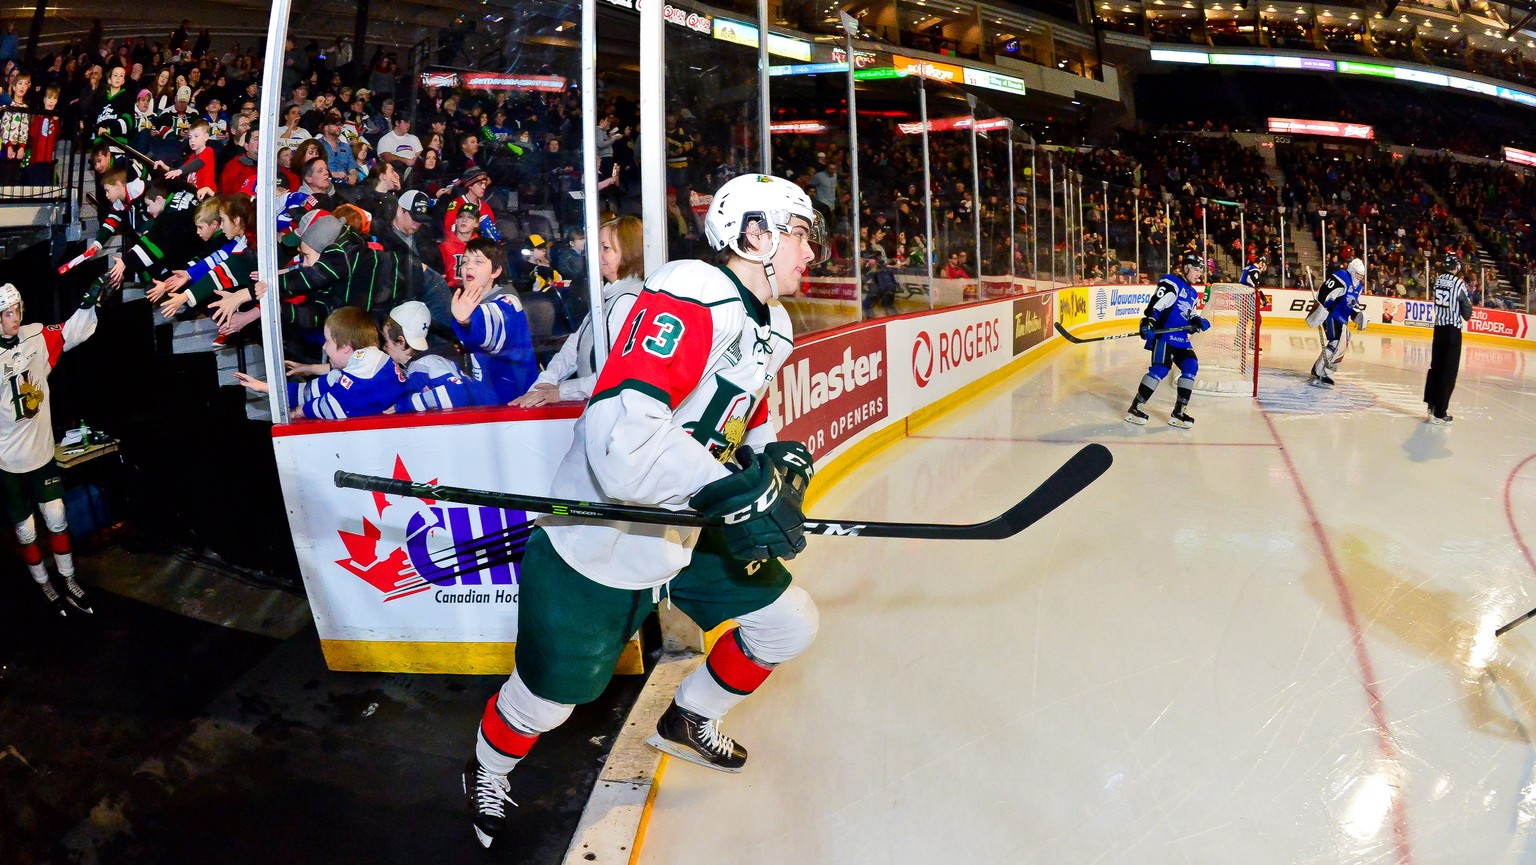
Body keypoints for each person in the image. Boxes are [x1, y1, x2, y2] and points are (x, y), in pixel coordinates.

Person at [462, 173, 826, 848]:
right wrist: (728, 493)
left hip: (683, 525)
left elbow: (748, 418)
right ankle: (485, 768)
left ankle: (688, 717)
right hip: (602, 533)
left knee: (788, 623)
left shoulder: (771, 323)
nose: (811, 251)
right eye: (800, 233)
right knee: (546, 701)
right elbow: (619, 432)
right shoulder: (694, 290)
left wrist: (775, 463)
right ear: (755, 234)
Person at [0, 280, 111, 616]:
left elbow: (71, 331)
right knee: (26, 529)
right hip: (8, 460)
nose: (13, 317)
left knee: (58, 516)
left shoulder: (35, 335)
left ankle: (68, 578)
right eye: (6, 313)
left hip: (42, 452)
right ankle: (42, 583)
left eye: (16, 309)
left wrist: (89, 303)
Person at [511, 216, 644, 407]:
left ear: (629, 253)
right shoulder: (610, 295)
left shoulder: (629, 301)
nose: (596, 255)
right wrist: (545, 383)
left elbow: (619, 373)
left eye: (605, 248)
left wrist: (563, 391)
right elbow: (575, 345)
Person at [234, 305, 407, 419]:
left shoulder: (368, 366)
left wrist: (303, 410)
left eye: (328, 341)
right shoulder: (357, 366)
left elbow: (336, 406)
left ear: (346, 347)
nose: (324, 347)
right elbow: (310, 391)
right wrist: (264, 387)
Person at [1125, 251, 1211, 428]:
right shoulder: (1171, 282)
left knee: (1191, 365)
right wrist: (1148, 322)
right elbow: (1155, 306)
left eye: (1200, 271)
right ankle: (1136, 407)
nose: (1199, 274)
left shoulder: (1193, 293)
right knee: (1160, 370)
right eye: (1196, 270)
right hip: (1165, 336)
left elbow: (1190, 314)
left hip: (1181, 338)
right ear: (1186, 268)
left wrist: (1197, 321)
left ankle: (1179, 412)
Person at [449, 237, 540, 403]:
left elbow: (492, 322)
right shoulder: (464, 302)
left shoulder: (509, 302)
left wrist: (467, 321)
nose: (468, 266)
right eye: (465, 262)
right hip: (487, 401)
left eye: (478, 262)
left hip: (515, 404)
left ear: (496, 271)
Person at [381, 301, 497, 413]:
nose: (384, 347)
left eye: (387, 341)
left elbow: (457, 394)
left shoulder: (423, 364)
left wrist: (407, 404)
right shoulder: (424, 363)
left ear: (401, 342)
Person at [1424, 253, 1472, 425]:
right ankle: (1440, 411)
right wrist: (1466, 314)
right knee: (1449, 372)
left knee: (1435, 367)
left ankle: (1431, 406)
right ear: (1456, 267)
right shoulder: (1458, 283)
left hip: (1438, 329)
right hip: (1452, 331)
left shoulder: (1437, 281)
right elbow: (1466, 308)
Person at [1306, 257, 1367, 387]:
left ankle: (1320, 368)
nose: (1359, 277)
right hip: (1331, 314)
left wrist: (1358, 313)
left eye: (1361, 275)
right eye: (1357, 274)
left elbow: (1352, 302)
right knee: (1337, 341)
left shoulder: (1359, 287)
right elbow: (1324, 291)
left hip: (1342, 318)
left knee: (1342, 341)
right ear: (1351, 270)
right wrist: (1320, 308)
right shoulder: (1342, 276)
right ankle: (1321, 370)